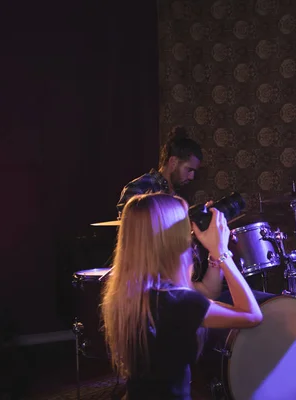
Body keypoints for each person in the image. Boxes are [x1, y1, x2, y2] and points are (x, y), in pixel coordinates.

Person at [101, 193, 263, 399]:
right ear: (170, 238)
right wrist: (222, 251)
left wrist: (214, 256)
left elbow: (206, 291)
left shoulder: (135, 292)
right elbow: (252, 316)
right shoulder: (177, 302)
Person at [116, 126, 203, 216]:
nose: (191, 176)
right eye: (189, 170)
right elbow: (128, 225)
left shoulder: (177, 197)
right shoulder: (139, 187)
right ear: (173, 162)